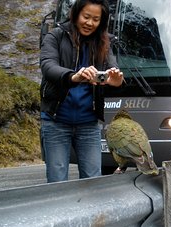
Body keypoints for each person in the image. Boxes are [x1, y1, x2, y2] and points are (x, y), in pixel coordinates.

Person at [40, 0, 123, 183]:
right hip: (56, 121)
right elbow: (48, 66)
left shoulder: (104, 43)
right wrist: (73, 77)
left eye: (95, 19)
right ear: (76, 14)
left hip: (89, 124)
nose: (90, 23)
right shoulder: (55, 36)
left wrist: (115, 80)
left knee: (93, 181)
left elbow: (113, 71)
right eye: (86, 17)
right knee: (57, 181)